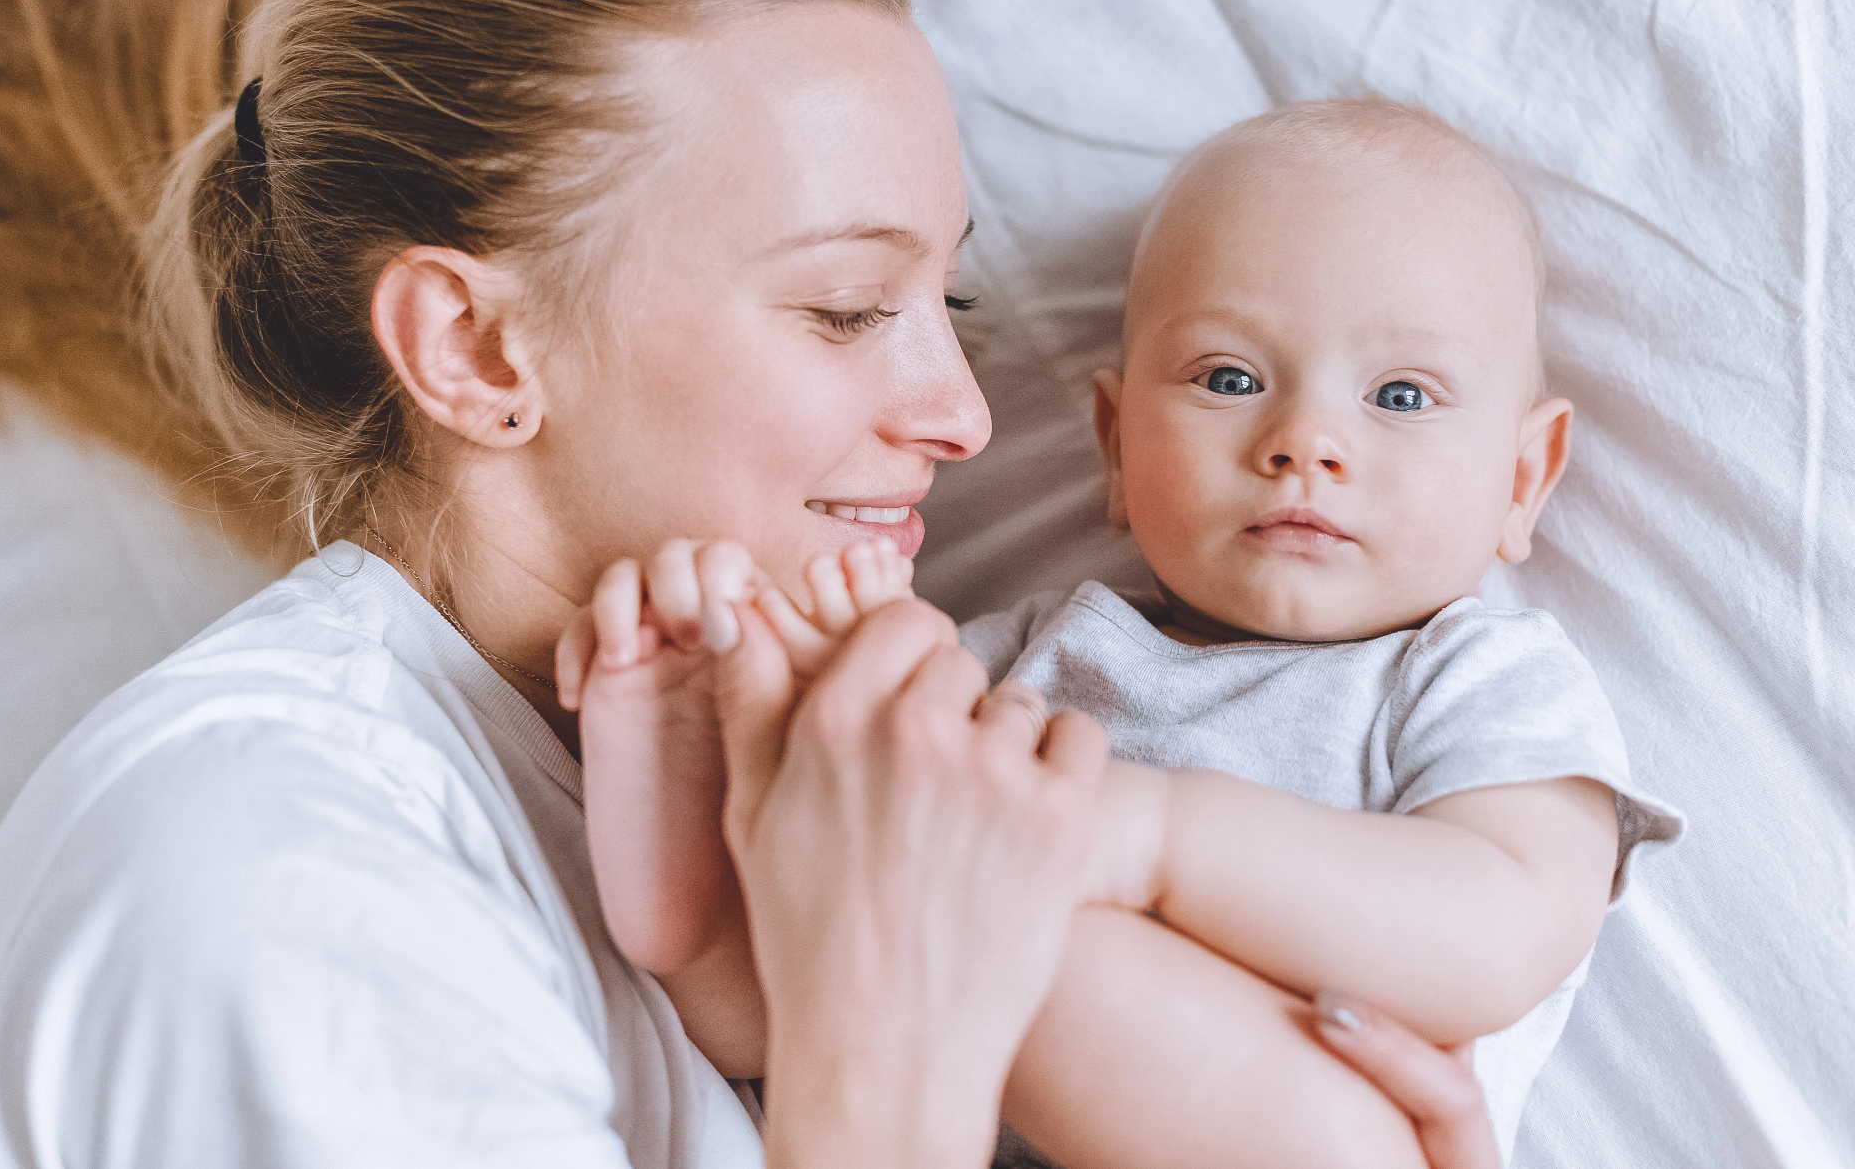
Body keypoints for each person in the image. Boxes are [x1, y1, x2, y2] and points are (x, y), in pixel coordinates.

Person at [0, 0, 1510, 1166]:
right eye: (849, 309)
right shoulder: (271, 904)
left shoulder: (711, 778)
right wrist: (887, 1049)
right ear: (479, 346)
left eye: (956, 311)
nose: (959, 413)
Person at [573, 100, 1683, 1166]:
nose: (1303, 440)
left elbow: (1492, 936)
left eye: (1398, 396)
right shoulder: (1019, 655)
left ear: (1523, 479)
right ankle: (684, 910)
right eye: (1229, 378)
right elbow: (793, 1003)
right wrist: (755, 727)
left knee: (921, 880)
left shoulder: (1475, 676)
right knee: (848, 896)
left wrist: (1149, 835)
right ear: (1114, 446)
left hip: (1320, 1138)